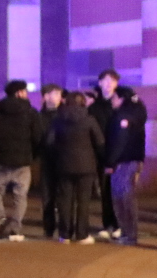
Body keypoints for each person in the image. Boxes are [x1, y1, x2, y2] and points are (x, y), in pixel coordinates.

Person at [0, 81, 45, 240]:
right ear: (19, 92)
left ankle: (1, 219)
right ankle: (15, 227)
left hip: (0, 159)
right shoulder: (31, 112)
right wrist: (32, 156)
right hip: (23, 161)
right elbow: (38, 137)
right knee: (20, 195)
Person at [49, 91, 105, 243]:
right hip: (86, 166)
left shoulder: (58, 119)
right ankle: (82, 234)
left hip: (64, 165)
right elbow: (100, 142)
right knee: (83, 201)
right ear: (83, 103)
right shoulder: (89, 120)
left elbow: (50, 142)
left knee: (65, 200)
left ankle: (64, 234)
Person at [104, 85, 149, 246]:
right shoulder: (136, 113)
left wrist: (110, 162)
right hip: (133, 159)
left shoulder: (122, 116)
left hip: (123, 161)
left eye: (114, 98)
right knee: (125, 197)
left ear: (121, 98)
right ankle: (128, 233)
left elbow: (119, 141)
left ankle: (129, 234)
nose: (111, 101)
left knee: (122, 198)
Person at [88, 68, 122, 239]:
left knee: (118, 190)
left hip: (118, 154)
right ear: (100, 83)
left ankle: (119, 224)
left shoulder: (120, 105)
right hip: (101, 154)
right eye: (105, 80)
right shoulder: (94, 107)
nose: (108, 84)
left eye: (112, 81)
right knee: (105, 190)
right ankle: (107, 224)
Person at [37, 83, 64, 238]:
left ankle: (64, 227)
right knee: (47, 196)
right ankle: (48, 228)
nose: (59, 97)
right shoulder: (40, 117)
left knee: (63, 195)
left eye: (59, 94)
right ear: (46, 96)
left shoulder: (64, 114)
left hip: (63, 160)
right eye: (55, 94)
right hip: (47, 160)